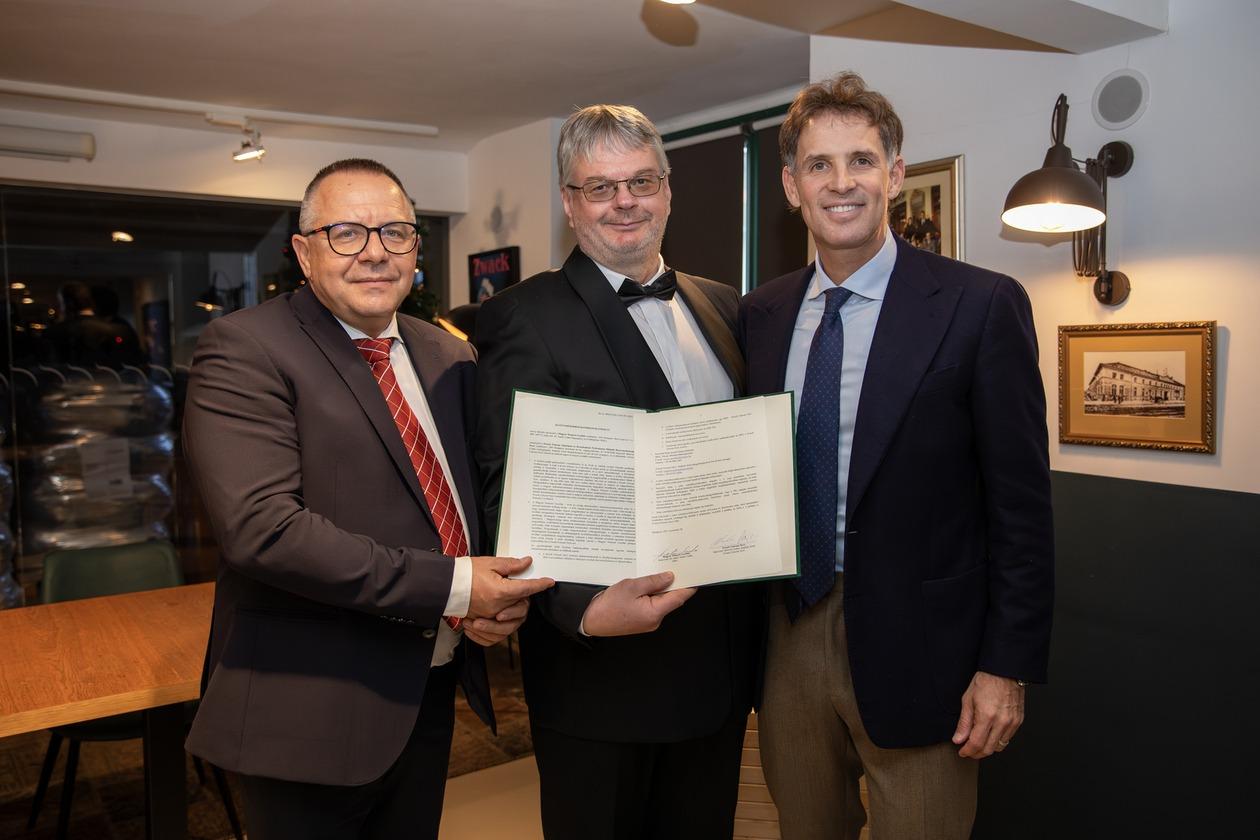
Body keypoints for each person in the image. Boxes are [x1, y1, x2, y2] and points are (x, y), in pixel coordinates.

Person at [183, 158, 553, 840]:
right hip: (309, 707)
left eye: (395, 232)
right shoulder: (245, 349)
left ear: (415, 249)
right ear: (304, 253)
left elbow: (462, 501)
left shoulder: (449, 356)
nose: (375, 252)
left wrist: (494, 593)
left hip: (426, 687)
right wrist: (457, 585)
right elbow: (264, 531)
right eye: (347, 233)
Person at [739, 72, 1054, 839]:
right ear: (791, 186)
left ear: (895, 174)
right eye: (818, 164)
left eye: (861, 160)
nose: (840, 182)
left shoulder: (981, 305)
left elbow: (1021, 509)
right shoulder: (761, 315)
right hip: (788, 631)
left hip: (928, 647)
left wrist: (1005, 666)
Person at [474, 105, 759, 840]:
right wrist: (580, 610)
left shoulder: (724, 304)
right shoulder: (521, 316)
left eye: (641, 181)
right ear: (569, 204)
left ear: (667, 190)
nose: (624, 202)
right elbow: (506, 490)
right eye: (600, 187)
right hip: (602, 678)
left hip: (721, 670)